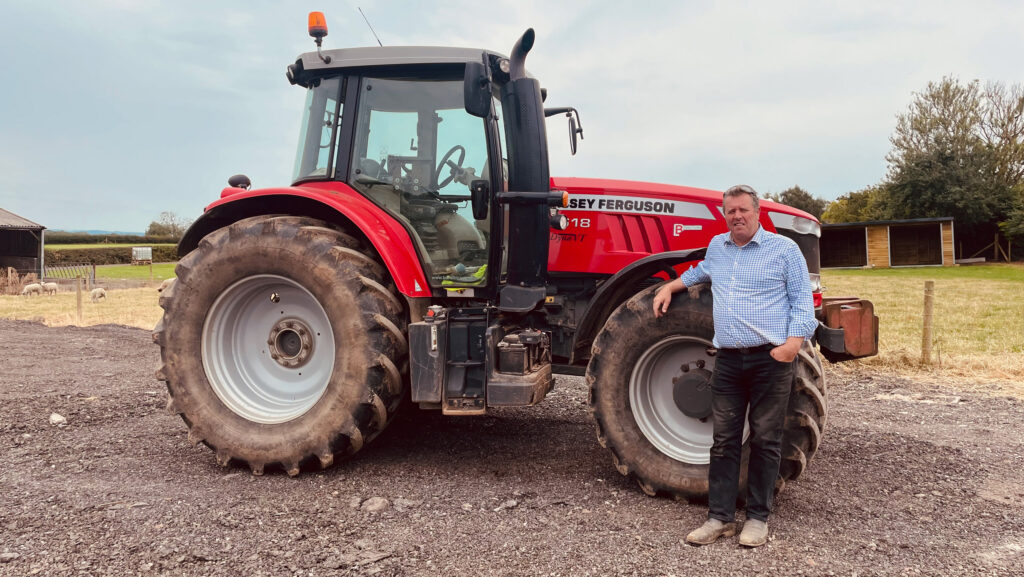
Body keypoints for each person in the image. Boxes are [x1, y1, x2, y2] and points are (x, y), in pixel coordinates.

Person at [652, 184, 817, 547]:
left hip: (770, 360)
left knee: (766, 438)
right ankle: (720, 518)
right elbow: (700, 272)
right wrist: (670, 287)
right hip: (727, 360)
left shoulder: (784, 250)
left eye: (743, 210)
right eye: (731, 211)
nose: (737, 216)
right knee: (724, 440)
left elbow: (804, 307)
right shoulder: (719, 247)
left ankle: (757, 518)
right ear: (724, 215)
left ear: (758, 213)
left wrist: (790, 347)